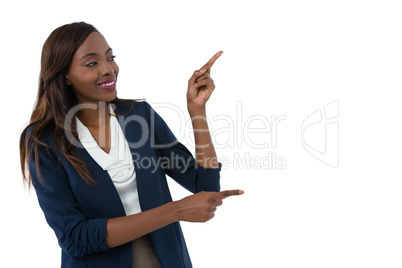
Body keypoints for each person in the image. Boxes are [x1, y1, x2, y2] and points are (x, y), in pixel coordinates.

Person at [19, 21, 244, 268]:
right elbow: (75, 238)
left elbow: (205, 185)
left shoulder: (139, 117)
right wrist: (174, 211)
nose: (108, 69)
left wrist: (197, 110)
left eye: (110, 57)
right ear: (66, 76)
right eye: (92, 63)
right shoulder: (44, 142)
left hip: (166, 259)